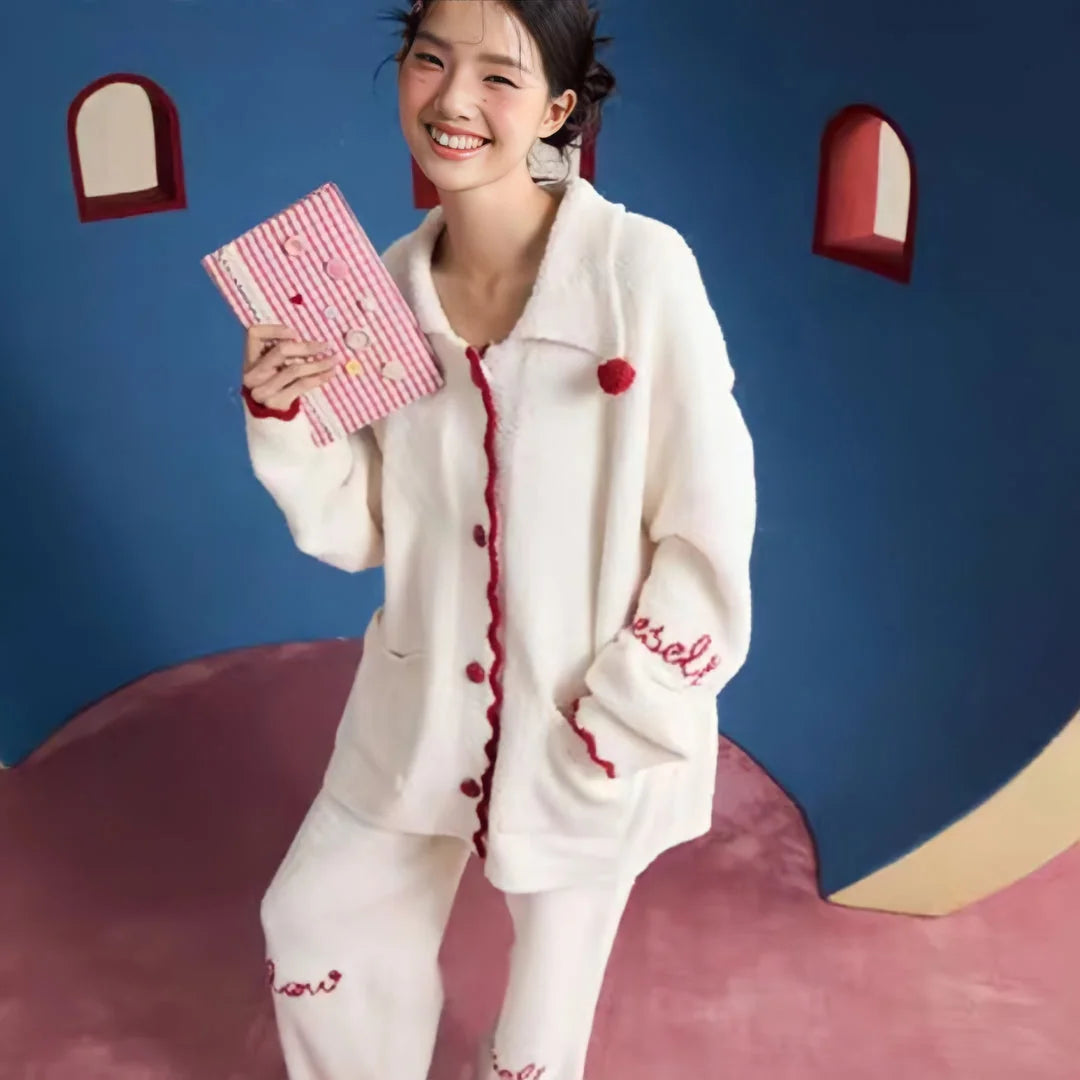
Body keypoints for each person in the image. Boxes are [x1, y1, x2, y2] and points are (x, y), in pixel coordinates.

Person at [242, 1, 756, 1077]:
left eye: (498, 76)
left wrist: (627, 711)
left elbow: (709, 521)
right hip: (418, 705)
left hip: (585, 726)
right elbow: (361, 529)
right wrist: (287, 422)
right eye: (428, 60)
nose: (453, 100)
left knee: (536, 1050)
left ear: (558, 110)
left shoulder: (638, 271)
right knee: (316, 928)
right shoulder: (373, 284)